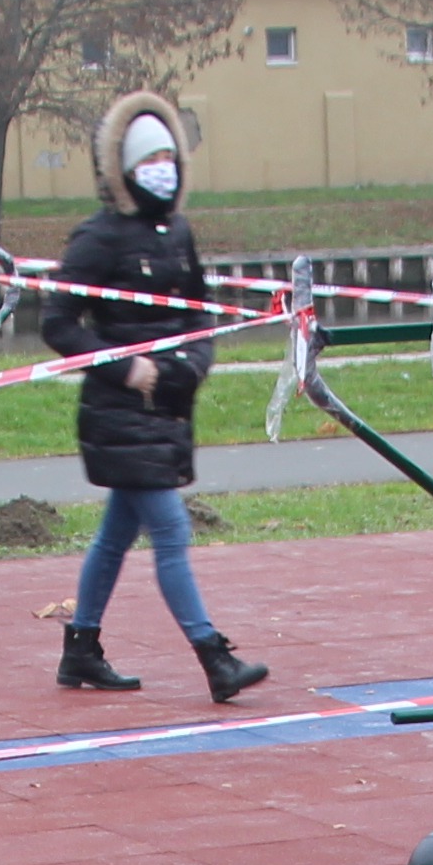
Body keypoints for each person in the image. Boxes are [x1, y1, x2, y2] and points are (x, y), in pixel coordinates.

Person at [45, 91, 271, 705]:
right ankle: (214, 657)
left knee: (117, 533)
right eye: (151, 157)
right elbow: (59, 323)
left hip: (168, 408)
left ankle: (80, 649)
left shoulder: (178, 234)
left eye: (172, 155)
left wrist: (191, 367)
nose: (163, 167)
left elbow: (200, 316)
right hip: (119, 412)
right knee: (170, 530)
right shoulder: (98, 237)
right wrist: (127, 370)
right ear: (124, 168)